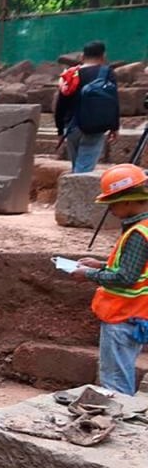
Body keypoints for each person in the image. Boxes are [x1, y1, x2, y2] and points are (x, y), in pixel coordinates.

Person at [71, 164, 148, 395]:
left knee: (115, 383)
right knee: (121, 373)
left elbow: (125, 277)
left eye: (112, 204)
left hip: (122, 317)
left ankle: (120, 424)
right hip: (135, 316)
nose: (111, 210)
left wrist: (89, 274)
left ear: (128, 201)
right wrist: (102, 265)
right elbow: (135, 267)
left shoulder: (138, 234)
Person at [56, 40, 120, 173]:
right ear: (103, 56)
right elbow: (113, 101)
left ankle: (72, 191)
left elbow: (61, 104)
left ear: (82, 57)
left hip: (72, 126)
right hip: (95, 126)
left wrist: (60, 130)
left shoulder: (71, 74)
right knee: (84, 169)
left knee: (77, 167)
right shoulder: (107, 73)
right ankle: (76, 193)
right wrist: (114, 127)